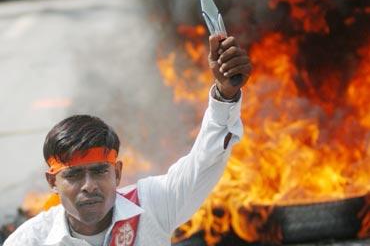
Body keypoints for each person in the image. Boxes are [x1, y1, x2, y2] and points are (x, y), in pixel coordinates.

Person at [4, 35, 252, 246]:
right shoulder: (30, 240)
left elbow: (205, 160)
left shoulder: (151, 205)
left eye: (100, 171)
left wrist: (225, 94)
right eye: (74, 175)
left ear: (118, 172)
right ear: (52, 181)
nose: (89, 185)